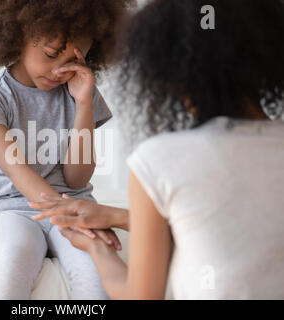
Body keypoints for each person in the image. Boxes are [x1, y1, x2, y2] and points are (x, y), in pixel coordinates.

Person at [30, 0, 284, 299]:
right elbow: (228, 226)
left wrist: (97, 248)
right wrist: (114, 216)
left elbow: (141, 295)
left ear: (170, 76)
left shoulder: (160, 159)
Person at [0, 0, 134, 299]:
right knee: (10, 267)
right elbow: (18, 171)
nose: (59, 70)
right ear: (17, 36)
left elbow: (77, 179)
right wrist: (67, 211)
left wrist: (83, 104)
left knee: (97, 283)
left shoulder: (81, 93)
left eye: (74, 61)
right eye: (52, 54)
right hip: (12, 210)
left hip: (74, 205)